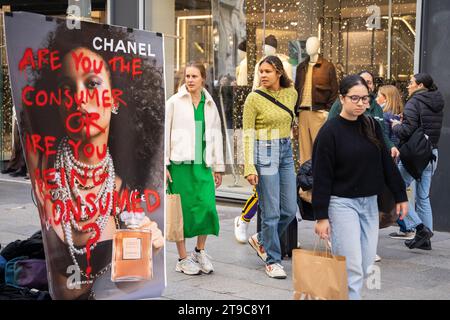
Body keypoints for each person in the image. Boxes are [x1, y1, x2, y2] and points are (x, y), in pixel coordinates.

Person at [23, 21, 164, 299]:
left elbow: (127, 285)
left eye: (92, 83)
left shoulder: (129, 192)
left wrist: (151, 251)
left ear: (114, 97)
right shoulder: (41, 164)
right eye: (67, 87)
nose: (79, 97)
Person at [313, 74, 408, 300]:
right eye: (354, 98)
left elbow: (386, 162)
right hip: (341, 203)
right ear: (342, 99)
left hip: (369, 204)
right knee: (351, 266)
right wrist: (321, 216)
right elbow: (321, 175)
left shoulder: (371, 126)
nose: (360, 104)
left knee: (365, 265)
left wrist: (400, 195)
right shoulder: (330, 131)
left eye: (365, 99)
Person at [165, 62, 225, 276]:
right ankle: (182, 259)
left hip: (203, 164)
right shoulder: (173, 102)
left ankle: (199, 251)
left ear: (203, 79)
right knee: (180, 212)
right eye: (187, 76)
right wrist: (164, 165)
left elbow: (216, 135)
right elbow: (164, 134)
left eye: (194, 76)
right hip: (180, 166)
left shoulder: (210, 104)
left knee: (207, 208)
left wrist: (218, 167)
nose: (190, 80)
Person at [243, 55, 298, 279]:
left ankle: (262, 239)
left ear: (279, 73)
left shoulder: (291, 94)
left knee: (289, 209)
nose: (263, 75)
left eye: (267, 71)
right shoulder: (253, 98)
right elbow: (247, 134)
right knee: (272, 211)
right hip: (264, 151)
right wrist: (249, 166)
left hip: (285, 151)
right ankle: (272, 260)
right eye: (261, 71)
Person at [391, 73, 444, 250]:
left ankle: (420, 229)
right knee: (423, 197)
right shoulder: (437, 101)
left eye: (411, 83)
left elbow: (406, 131)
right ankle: (425, 240)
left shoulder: (415, 101)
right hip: (431, 153)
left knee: (394, 189)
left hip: (413, 156)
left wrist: (396, 125)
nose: (408, 86)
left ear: (420, 85)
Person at [328, 71, 400, 159]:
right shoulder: (341, 104)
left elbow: (381, 133)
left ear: (373, 86)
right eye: (362, 81)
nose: (366, 85)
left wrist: (391, 146)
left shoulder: (377, 108)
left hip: (372, 156)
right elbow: (331, 128)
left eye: (369, 82)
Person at [376, 85, 415, 240]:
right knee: (397, 192)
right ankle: (408, 227)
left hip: (388, 158)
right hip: (396, 156)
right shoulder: (398, 116)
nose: (376, 98)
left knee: (394, 194)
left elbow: (385, 138)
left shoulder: (384, 116)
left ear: (386, 97)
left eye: (379, 95)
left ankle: (410, 226)